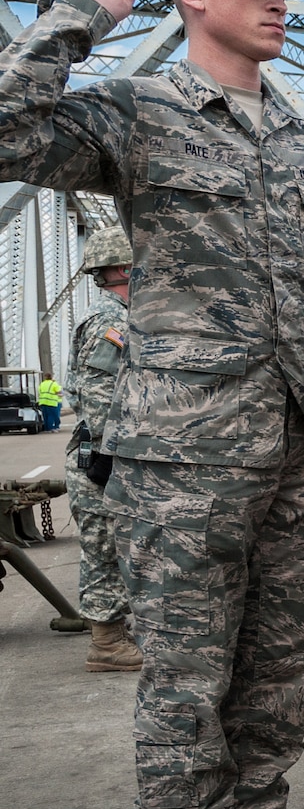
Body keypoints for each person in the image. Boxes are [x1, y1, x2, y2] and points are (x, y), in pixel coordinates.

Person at [0, 0, 304, 809]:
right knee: (190, 678)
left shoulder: (301, 137)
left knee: (277, 673)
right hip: (187, 451)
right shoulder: (139, 112)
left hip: (295, 442)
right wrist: (68, 21)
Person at [66, 226, 138, 673]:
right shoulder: (110, 322)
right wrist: (108, 456)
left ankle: (116, 633)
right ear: (124, 267)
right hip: (100, 459)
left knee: (115, 546)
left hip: (105, 454)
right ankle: (106, 643)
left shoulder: (119, 314)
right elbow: (96, 393)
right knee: (105, 549)